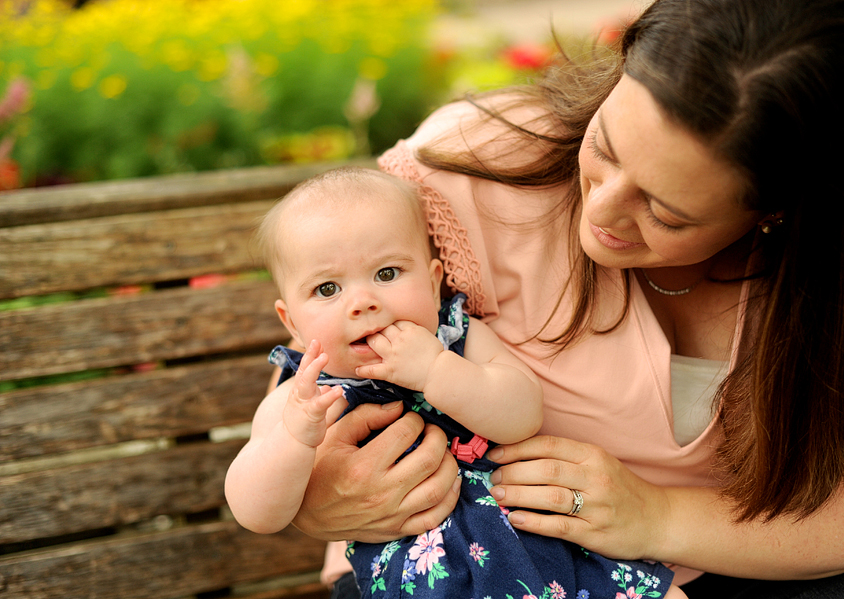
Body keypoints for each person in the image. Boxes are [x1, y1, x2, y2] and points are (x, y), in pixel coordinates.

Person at [281, 1, 844, 598]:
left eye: (666, 213)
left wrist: (659, 517)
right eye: (604, 148)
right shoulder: (476, 165)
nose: (601, 211)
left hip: (725, 553)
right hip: (458, 563)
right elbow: (320, 349)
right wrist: (314, 493)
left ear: (777, 212)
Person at [225, 167, 686, 599]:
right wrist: (294, 440)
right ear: (292, 322)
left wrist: (437, 371)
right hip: (423, 575)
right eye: (327, 289)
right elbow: (255, 512)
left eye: (387, 274)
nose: (362, 302)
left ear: (432, 284)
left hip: (536, 541)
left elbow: (523, 414)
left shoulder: (456, 339)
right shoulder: (302, 400)